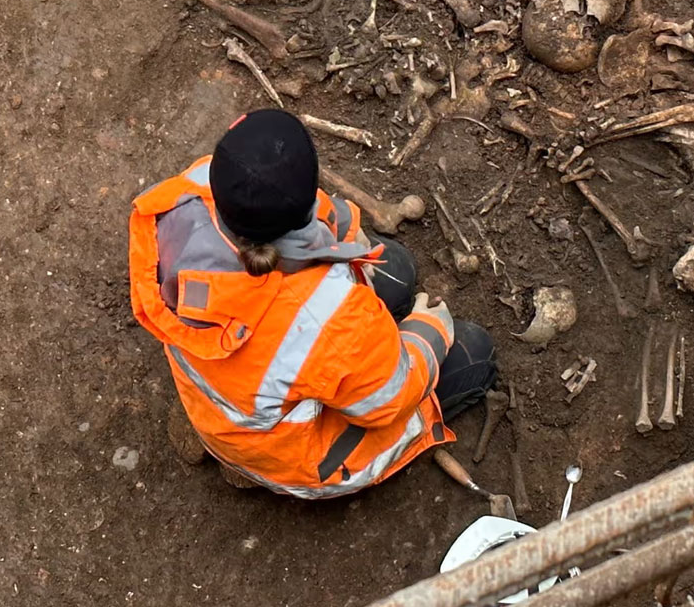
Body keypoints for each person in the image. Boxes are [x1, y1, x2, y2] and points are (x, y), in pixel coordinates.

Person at [128, 108, 497, 498]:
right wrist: (431, 331)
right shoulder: (321, 319)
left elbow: (323, 214)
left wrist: (349, 251)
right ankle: (256, 471)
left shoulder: (192, 190)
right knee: (474, 352)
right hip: (293, 453)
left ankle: (229, 447)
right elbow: (390, 399)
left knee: (396, 269)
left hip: (225, 403)